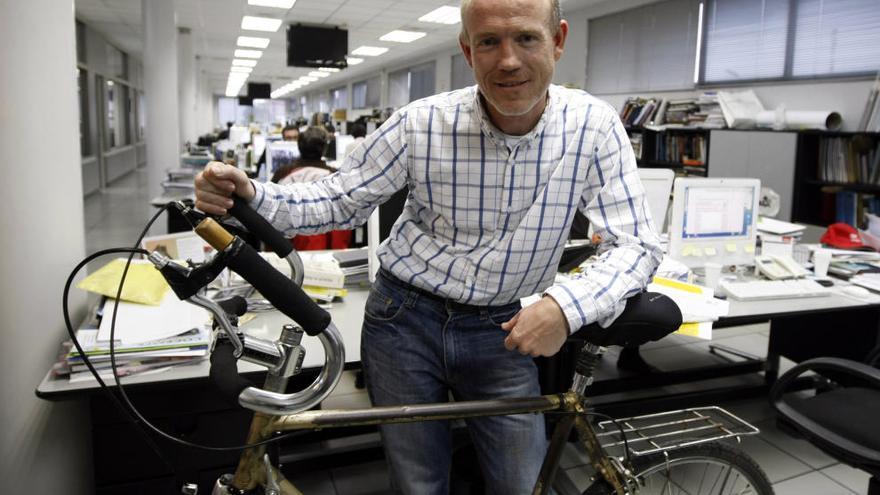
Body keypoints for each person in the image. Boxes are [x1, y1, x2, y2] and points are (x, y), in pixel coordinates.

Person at [194, 0, 661, 492]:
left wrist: (565, 307)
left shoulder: (594, 126)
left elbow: (638, 244)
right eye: (488, 42)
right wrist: (253, 195)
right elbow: (341, 198)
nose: (507, 60)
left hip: (503, 328)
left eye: (526, 38)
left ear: (558, 40)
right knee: (418, 484)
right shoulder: (422, 123)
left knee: (523, 483)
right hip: (404, 322)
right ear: (467, 49)